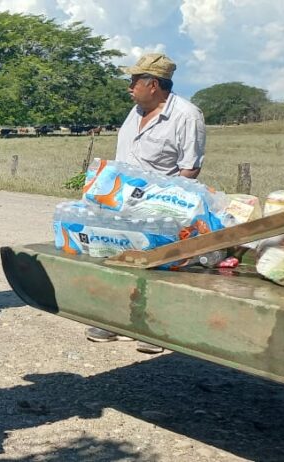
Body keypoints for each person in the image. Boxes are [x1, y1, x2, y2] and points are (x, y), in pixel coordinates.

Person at [85, 53, 206, 354]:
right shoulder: (135, 111)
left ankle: (153, 329)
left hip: (159, 208)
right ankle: (115, 321)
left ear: (153, 85)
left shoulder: (187, 115)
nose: (129, 86)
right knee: (118, 261)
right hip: (120, 201)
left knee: (157, 269)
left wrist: (167, 206)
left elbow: (190, 168)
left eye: (134, 81)